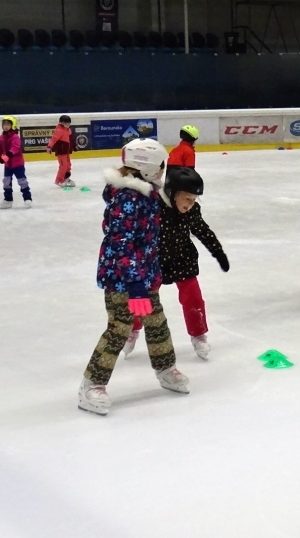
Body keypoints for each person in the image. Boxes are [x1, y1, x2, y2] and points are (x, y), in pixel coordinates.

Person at [78, 138, 188, 416]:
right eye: (161, 165)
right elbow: (121, 243)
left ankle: (165, 369)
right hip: (122, 278)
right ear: (147, 167)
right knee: (119, 327)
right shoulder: (128, 198)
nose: (163, 170)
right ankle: (91, 386)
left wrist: (150, 274)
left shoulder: (146, 193)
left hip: (143, 274)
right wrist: (135, 282)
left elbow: (146, 239)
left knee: (156, 322)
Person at [124, 166, 229, 361]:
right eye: (187, 199)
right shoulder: (153, 207)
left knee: (193, 298)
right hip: (154, 262)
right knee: (143, 299)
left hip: (183, 259)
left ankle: (199, 335)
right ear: (172, 193)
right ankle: (132, 330)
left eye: (194, 200)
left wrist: (218, 252)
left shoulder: (191, 211)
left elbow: (202, 230)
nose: (191, 204)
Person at [0, 115, 32, 209]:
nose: (6, 126)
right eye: (4, 124)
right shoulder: (1, 137)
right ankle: (8, 200)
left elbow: (15, 149)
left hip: (18, 164)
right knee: (6, 182)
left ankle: (27, 198)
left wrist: (5, 158)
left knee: (22, 181)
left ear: (13, 125)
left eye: (8, 125)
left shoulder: (15, 137)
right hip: (8, 166)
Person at [46, 114, 76, 187]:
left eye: (69, 123)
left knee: (68, 165)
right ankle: (59, 180)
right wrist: (49, 147)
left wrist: (75, 146)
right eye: (66, 123)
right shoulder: (59, 131)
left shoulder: (68, 130)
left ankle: (66, 178)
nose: (68, 125)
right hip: (61, 152)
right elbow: (53, 139)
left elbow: (71, 140)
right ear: (61, 123)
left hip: (67, 151)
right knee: (63, 166)